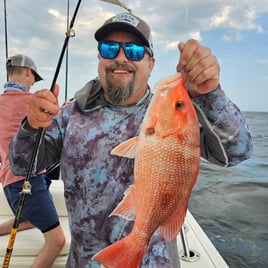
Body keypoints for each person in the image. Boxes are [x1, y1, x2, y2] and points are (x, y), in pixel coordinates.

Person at [8, 13, 253, 268]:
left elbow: (238, 151)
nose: (121, 58)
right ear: (100, 58)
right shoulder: (69, 115)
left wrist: (210, 94)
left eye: (134, 50)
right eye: (110, 48)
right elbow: (21, 167)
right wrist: (32, 127)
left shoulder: (177, 116)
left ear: (151, 63)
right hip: (85, 262)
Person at [0, 54, 65, 268]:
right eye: (33, 78)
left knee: (28, 220)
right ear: (28, 72)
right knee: (57, 241)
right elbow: (59, 126)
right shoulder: (33, 102)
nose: (32, 83)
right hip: (27, 183)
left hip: (9, 186)